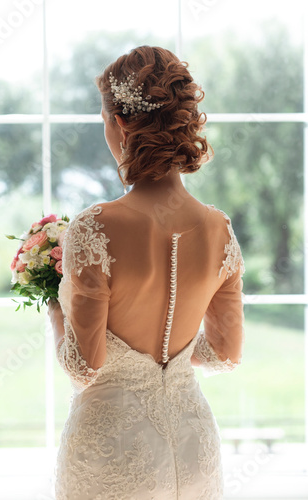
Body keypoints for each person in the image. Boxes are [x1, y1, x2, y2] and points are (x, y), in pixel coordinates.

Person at [48, 45, 245, 500]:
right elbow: (225, 353)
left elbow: (83, 365)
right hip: (194, 443)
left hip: (114, 450)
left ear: (119, 123)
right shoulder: (219, 229)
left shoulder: (95, 227)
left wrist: (53, 306)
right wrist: (167, 357)